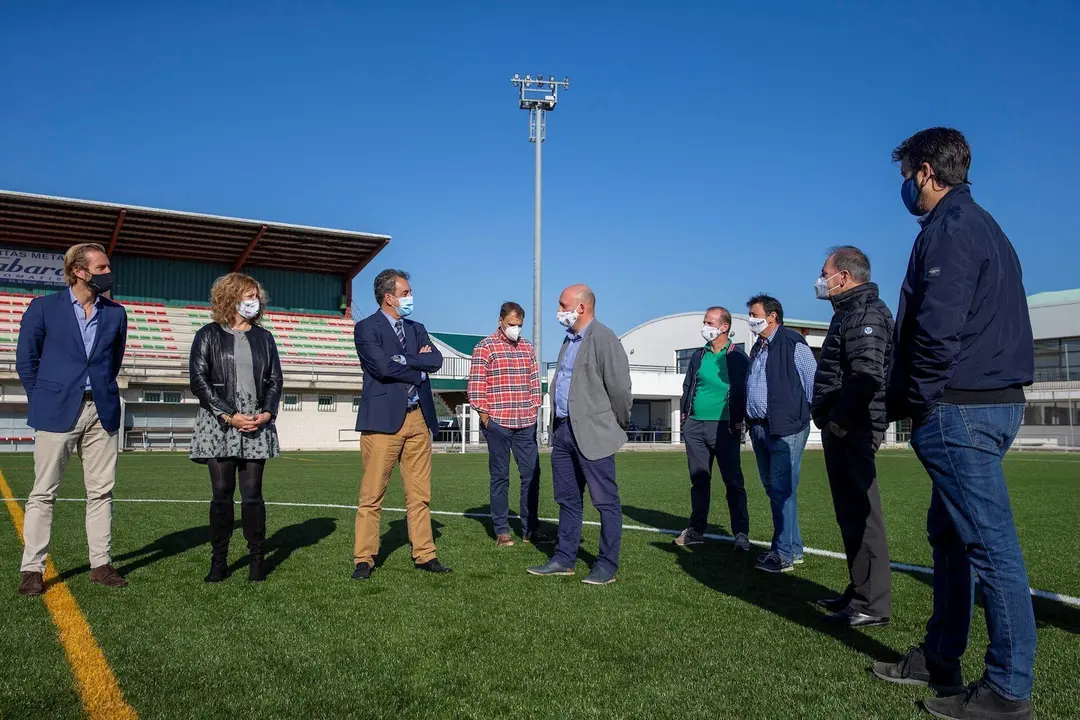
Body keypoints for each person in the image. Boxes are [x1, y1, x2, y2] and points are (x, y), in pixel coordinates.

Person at [874, 128, 1036, 720]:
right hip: (982, 401)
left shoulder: (951, 229)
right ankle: (941, 657)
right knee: (950, 536)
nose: (903, 187)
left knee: (990, 549)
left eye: (905, 176)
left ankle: (1008, 693)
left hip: (960, 407)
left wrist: (916, 400)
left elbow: (937, 330)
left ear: (924, 172)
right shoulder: (984, 225)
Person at [15, 242, 128, 596]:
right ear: (79, 271)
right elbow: (26, 361)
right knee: (43, 493)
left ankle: (101, 564)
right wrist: (44, 399)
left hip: (102, 410)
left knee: (101, 492)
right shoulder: (43, 309)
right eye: (102, 267)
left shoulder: (115, 313)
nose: (108, 273)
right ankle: (32, 569)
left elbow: (114, 360)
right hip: (56, 411)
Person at [810, 247, 893, 627]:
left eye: (825, 272)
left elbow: (867, 375)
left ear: (843, 276)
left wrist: (840, 422)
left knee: (863, 514)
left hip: (854, 427)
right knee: (849, 514)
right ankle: (860, 590)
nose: (820, 279)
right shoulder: (848, 313)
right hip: (842, 426)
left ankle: (873, 603)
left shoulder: (865, 313)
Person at [527, 285, 631, 585]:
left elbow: (621, 390)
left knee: (606, 502)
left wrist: (615, 425)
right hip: (563, 432)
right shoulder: (569, 339)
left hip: (593, 434)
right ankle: (564, 558)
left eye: (562, 305)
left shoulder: (604, 338)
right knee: (568, 499)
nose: (558, 311)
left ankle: (607, 564)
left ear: (581, 307)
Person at [351, 269, 450, 580]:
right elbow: (380, 367)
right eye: (405, 292)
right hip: (382, 423)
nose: (410, 297)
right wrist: (416, 366)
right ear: (388, 297)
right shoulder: (366, 328)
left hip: (418, 417)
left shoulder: (417, 328)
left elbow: (436, 361)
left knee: (420, 494)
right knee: (372, 496)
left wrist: (404, 361)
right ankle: (364, 559)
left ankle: (425, 554)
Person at [189, 273, 282, 583]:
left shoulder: (264, 338)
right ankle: (219, 562)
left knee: (253, 494)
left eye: (256, 295)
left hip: (258, 422)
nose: (253, 301)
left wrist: (267, 413)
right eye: (247, 295)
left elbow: (274, 380)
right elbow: (199, 381)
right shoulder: (207, 335)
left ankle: (257, 559)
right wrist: (228, 414)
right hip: (219, 424)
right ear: (229, 298)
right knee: (221, 494)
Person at [467, 301, 550, 547]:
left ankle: (530, 529)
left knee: (532, 475)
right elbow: (476, 385)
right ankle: (502, 530)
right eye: (512, 324)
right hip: (498, 423)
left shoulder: (527, 347)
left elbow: (535, 381)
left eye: (520, 325)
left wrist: (534, 406)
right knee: (500, 477)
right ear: (501, 321)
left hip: (525, 423)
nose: (516, 329)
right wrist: (485, 417)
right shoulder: (485, 347)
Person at [744, 294, 816, 574]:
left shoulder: (792, 343)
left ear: (772, 316)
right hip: (760, 426)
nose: (750, 319)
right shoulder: (758, 348)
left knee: (781, 489)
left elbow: (812, 380)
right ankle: (793, 547)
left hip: (786, 427)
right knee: (777, 489)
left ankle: (783, 553)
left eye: (754, 314)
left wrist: (804, 415)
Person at [674, 306, 751, 552]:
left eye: (709, 322)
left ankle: (741, 533)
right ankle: (696, 530)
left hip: (725, 428)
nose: (704, 327)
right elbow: (688, 387)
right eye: (705, 322)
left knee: (733, 482)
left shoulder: (738, 358)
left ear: (724, 327)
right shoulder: (699, 355)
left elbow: (744, 391)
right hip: (695, 427)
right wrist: (686, 420)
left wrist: (739, 420)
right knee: (699, 481)